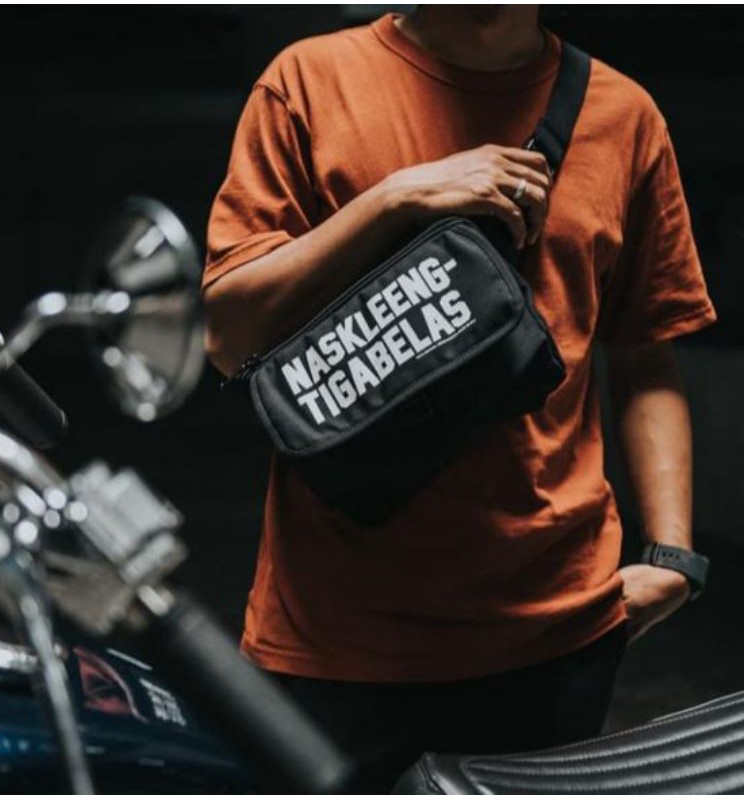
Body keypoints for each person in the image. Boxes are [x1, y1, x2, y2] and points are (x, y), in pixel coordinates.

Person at [202, 4, 717, 789]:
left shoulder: (624, 115)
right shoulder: (307, 81)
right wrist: (398, 197)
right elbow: (229, 334)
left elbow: (645, 352)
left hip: (555, 630)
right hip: (334, 634)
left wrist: (674, 556)